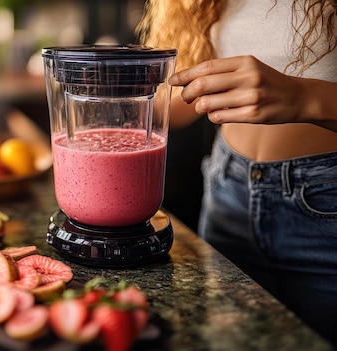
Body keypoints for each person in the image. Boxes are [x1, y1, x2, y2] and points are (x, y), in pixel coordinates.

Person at [138, 0, 337, 346]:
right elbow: (185, 95)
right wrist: (109, 87)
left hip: (327, 206)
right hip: (228, 191)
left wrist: (304, 96)